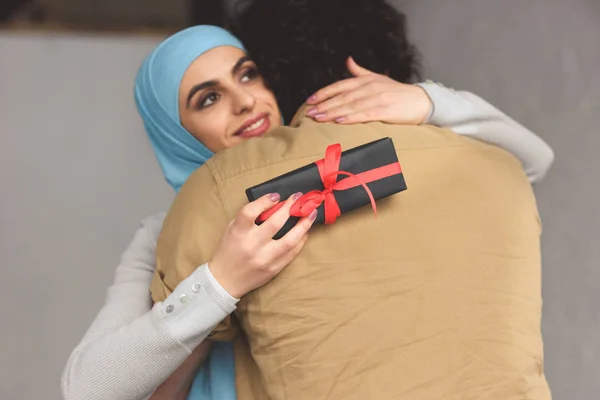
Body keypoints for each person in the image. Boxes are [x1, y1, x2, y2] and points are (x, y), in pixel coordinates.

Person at [61, 11, 554, 400]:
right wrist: (221, 283)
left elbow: (529, 163)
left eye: (248, 75)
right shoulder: (161, 231)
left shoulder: (341, 172)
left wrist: (427, 102)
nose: (245, 102)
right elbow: (85, 388)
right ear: (175, 131)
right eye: (208, 99)